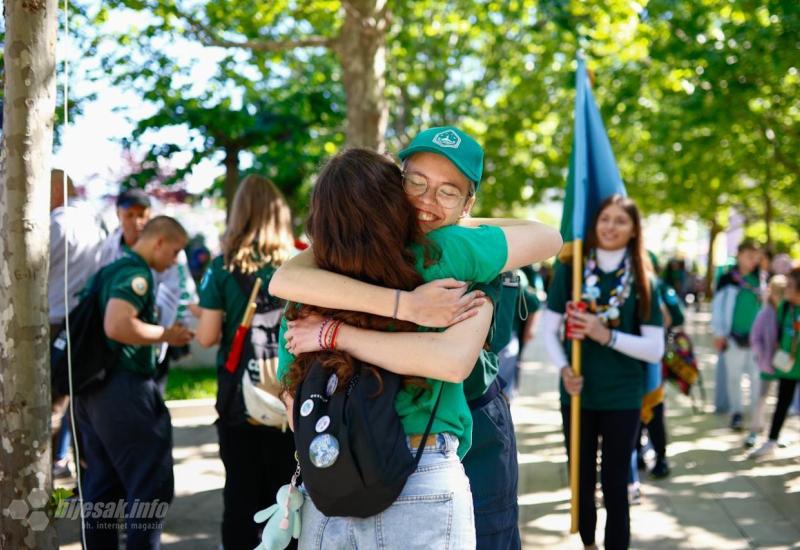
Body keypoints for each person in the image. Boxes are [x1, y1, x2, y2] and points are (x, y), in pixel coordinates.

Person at [272, 128, 562, 549]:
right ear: (395, 189)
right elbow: (547, 237)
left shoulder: (310, 284)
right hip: (422, 468)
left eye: (448, 192)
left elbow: (292, 395)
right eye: (416, 184)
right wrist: (402, 306)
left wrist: (335, 335)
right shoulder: (448, 250)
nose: (427, 202)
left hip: (336, 474)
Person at [541, 194, 665, 550]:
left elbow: (655, 348)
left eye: (620, 221)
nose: (611, 227)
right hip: (578, 392)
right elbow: (549, 330)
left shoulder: (644, 279)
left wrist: (604, 335)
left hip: (622, 395)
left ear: (633, 231)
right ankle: (588, 543)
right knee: (580, 480)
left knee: (615, 483)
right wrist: (564, 368)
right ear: (594, 224)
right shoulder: (572, 267)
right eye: (605, 219)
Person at [75, 216, 194, 549]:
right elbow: (117, 325)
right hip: (123, 389)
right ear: (158, 241)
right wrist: (165, 334)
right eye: (174, 251)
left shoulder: (110, 269)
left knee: (102, 488)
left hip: (92, 391)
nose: (174, 261)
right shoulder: (135, 274)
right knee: (150, 486)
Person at [194, 174, 298, 550]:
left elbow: (206, 336)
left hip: (241, 404)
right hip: (291, 399)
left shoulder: (221, 268)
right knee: (289, 502)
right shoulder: (299, 264)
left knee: (239, 497)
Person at [99, 188, 199, 395]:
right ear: (118, 215)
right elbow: (117, 325)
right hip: (115, 354)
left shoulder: (167, 256)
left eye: (142, 215)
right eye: (129, 215)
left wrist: (173, 331)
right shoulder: (114, 256)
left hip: (151, 346)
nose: (137, 222)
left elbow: (181, 290)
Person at [48, 169, 105, 478]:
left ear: (55, 191)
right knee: (72, 398)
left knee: (51, 401)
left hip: (53, 322)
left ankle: (52, 464)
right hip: (84, 324)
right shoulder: (94, 225)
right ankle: (69, 462)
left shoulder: (54, 224)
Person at [711, 240, 764, 430]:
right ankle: (736, 412)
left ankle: (757, 415)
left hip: (757, 339)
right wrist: (718, 332)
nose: (753, 261)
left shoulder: (761, 280)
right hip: (732, 336)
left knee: (756, 377)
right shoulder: (727, 279)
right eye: (749, 256)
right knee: (734, 377)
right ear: (739, 254)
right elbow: (717, 307)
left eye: (756, 258)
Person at [749, 267, 800, 459]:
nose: (786, 289)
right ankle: (771, 441)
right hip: (788, 367)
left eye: (791, 286)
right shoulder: (785, 307)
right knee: (781, 404)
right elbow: (778, 334)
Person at [745, 275, 788, 448]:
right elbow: (755, 338)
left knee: (782, 400)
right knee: (761, 397)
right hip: (767, 363)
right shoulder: (765, 313)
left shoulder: (788, 312)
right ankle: (755, 429)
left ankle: (775, 434)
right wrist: (762, 355)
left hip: (785, 363)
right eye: (778, 293)